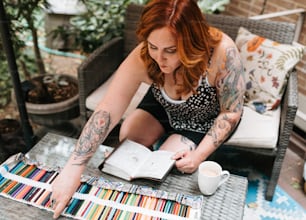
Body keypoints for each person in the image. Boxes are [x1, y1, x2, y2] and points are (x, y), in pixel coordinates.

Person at [51, 0, 245, 218]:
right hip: (163, 104)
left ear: (191, 41)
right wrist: (72, 169)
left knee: (166, 164)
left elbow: (231, 111)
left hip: (202, 117)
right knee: (127, 137)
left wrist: (199, 156)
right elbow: (107, 109)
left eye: (170, 50)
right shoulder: (145, 54)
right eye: (153, 47)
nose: (159, 59)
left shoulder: (222, 52)